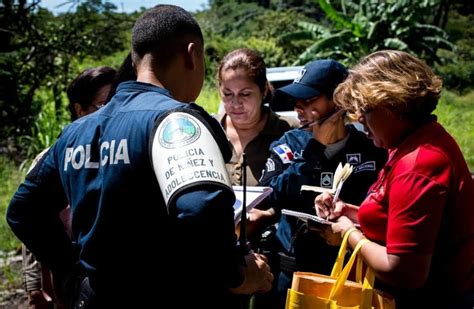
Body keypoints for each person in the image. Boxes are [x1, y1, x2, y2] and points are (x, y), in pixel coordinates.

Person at [7, 5, 272, 308]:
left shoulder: (75, 132)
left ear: (134, 59)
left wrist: (72, 274)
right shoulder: (177, 121)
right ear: (191, 54)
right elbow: (202, 212)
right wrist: (238, 275)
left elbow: (24, 210)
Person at [315, 50, 474, 308]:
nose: (359, 121)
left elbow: (403, 271)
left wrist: (349, 233)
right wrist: (350, 211)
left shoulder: (418, 164)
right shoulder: (411, 144)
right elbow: (401, 219)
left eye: (365, 110)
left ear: (394, 105)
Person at [256, 59, 388, 307]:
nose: (299, 108)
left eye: (309, 100)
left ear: (338, 102)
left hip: (348, 275)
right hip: (290, 275)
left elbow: (384, 211)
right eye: (296, 101)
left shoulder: (370, 149)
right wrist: (314, 150)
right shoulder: (289, 144)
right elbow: (272, 195)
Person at [22, 66, 117, 309]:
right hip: (66, 281)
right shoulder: (54, 159)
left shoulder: (121, 152)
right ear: (79, 110)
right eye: (102, 105)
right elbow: (33, 222)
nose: (112, 112)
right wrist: (33, 286)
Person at [215, 48, 299, 186]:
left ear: (264, 90)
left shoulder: (290, 133)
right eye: (228, 94)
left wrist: (270, 209)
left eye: (245, 94)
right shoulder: (207, 131)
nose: (235, 103)